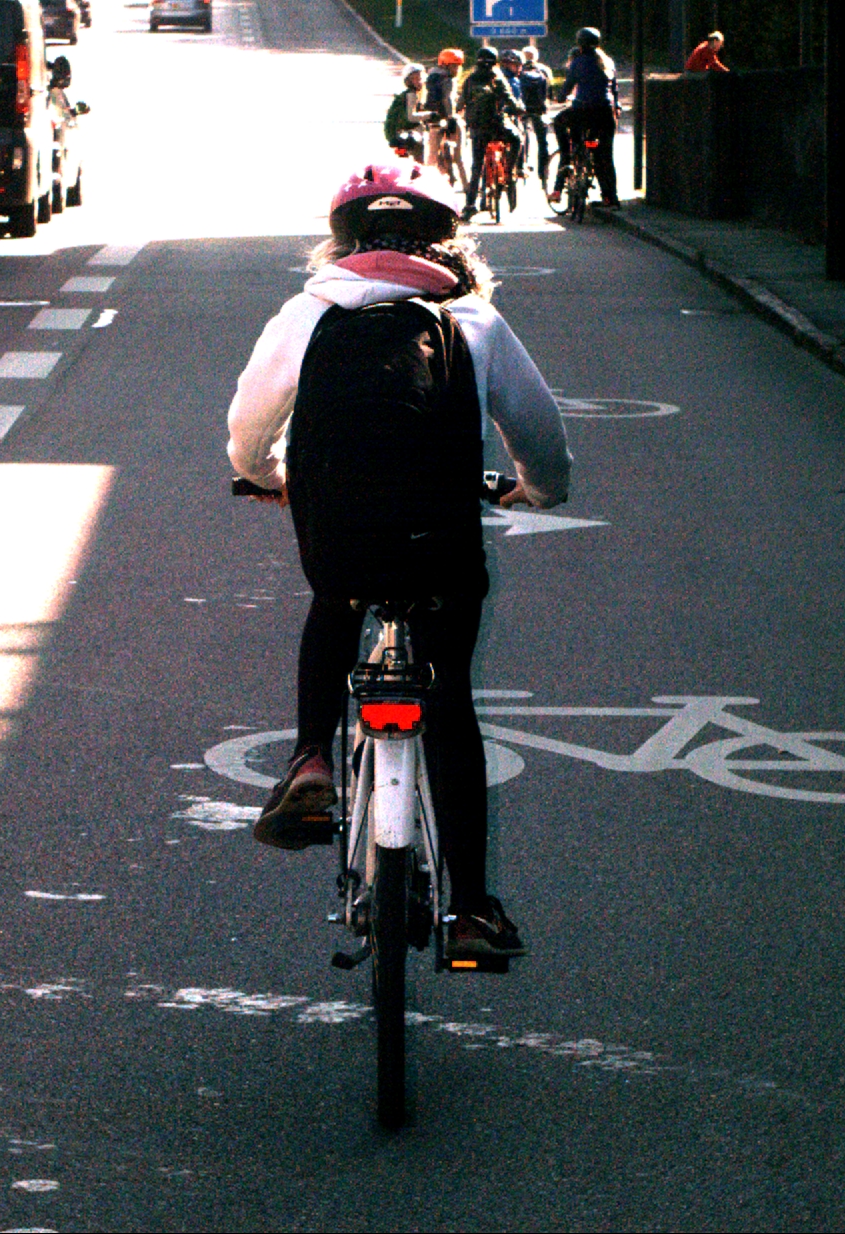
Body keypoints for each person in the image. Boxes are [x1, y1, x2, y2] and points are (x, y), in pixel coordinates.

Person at [225, 160, 572, 957]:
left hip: (341, 537)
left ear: (341, 242)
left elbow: (248, 429)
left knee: (334, 600)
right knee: (448, 703)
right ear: (447, 241)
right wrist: (537, 492)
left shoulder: (309, 313)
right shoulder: (473, 320)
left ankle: (312, 758)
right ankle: (472, 910)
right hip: (439, 547)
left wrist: (267, 476)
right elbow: (542, 439)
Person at [550, 27, 621, 208]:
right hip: (605, 112)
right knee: (604, 155)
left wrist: (560, 97)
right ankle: (610, 197)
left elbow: (568, 85)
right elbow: (614, 88)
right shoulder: (607, 62)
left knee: (559, 122)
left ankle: (567, 152)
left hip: (583, 111)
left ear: (579, 43)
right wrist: (617, 106)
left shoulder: (578, 62)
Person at [458, 46, 523, 219]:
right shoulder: (497, 78)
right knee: (517, 139)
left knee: (476, 166)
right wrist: (519, 109)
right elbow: (510, 99)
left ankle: (470, 205)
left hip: (478, 129)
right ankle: (509, 173)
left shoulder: (470, 80)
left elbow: (461, 103)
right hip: (498, 126)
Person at [424, 49, 467, 187]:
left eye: (458, 66)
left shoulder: (430, 77)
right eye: (454, 66)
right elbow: (447, 100)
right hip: (448, 118)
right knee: (458, 156)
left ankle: (426, 185)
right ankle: (467, 186)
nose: (457, 70)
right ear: (445, 65)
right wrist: (451, 117)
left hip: (434, 120)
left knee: (432, 156)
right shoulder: (448, 80)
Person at [518, 46, 553, 187]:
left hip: (523, 108)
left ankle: (522, 165)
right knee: (542, 141)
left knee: (523, 135)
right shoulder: (544, 70)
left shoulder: (519, 69)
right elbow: (549, 91)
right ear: (536, 57)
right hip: (540, 109)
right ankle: (543, 172)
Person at [383, 63, 432, 160]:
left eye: (420, 78)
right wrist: (430, 115)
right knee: (420, 153)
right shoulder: (411, 95)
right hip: (400, 134)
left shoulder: (407, 94)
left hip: (394, 133)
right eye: (414, 79)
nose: (418, 82)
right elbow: (411, 117)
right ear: (408, 81)